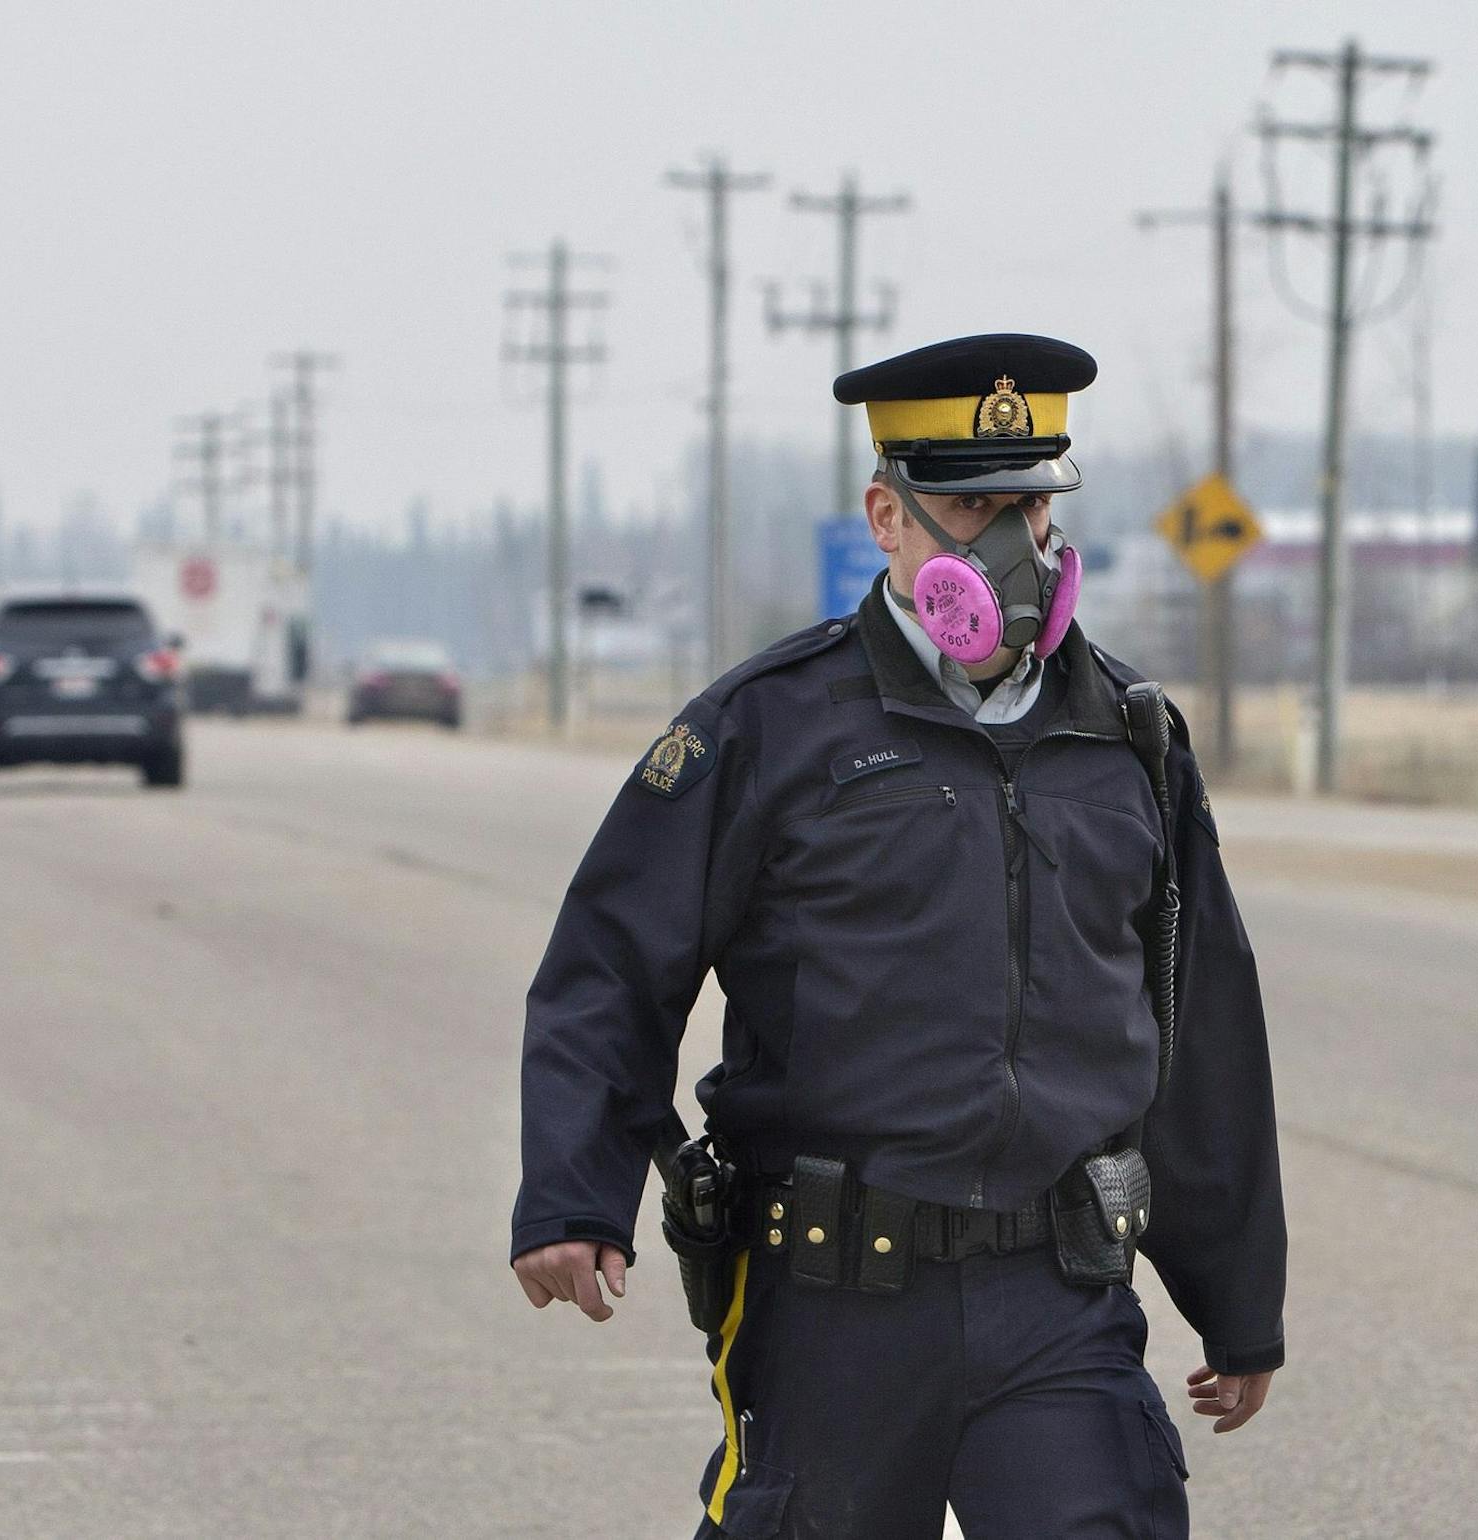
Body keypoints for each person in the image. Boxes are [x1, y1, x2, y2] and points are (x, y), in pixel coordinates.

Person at [511, 334, 1286, 1538]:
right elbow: (613, 961)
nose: (1014, 547)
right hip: (835, 1301)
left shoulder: (1127, 734)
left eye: (1032, 508)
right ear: (887, 515)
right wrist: (573, 1192)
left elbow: (1199, 1013)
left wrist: (1236, 1300)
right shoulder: (772, 726)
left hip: (1058, 1288)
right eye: (973, 507)